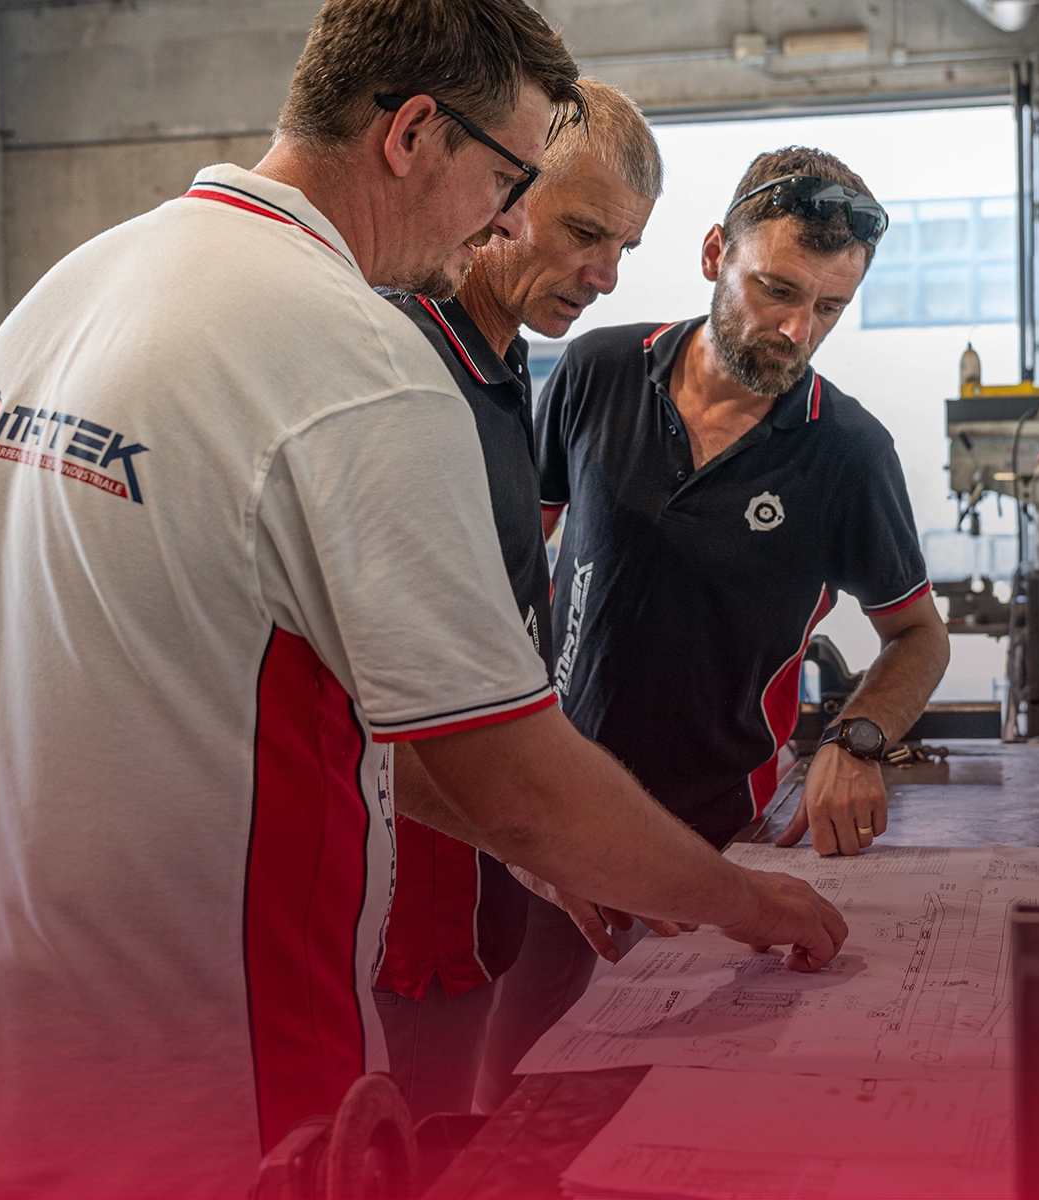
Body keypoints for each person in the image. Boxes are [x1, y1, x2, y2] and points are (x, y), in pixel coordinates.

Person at [0, 5, 845, 1197]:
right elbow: (512, 775)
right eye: (509, 178)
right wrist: (745, 901)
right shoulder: (350, 361)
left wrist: (550, 857)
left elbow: (290, 706)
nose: (505, 219)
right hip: (196, 1102)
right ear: (415, 133)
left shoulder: (76, 290)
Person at [475, 147, 950, 1109]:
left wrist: (858, 739)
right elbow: (507, 575)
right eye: (775, 288)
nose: (794, 328)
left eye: (827, 307)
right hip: (554, 832)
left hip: (720, 853)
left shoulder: (848, 453)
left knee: (693, 1119)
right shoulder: (597, 370)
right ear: (711, 255)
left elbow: (919, 637)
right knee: (510, 1106)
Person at [371, 77, 661, 1123]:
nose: (606, 277)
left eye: (625, 249)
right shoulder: (402, 366)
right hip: (399, 914)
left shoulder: (505, 366)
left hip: (487, 879)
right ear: (503, 189)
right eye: (587, 231)